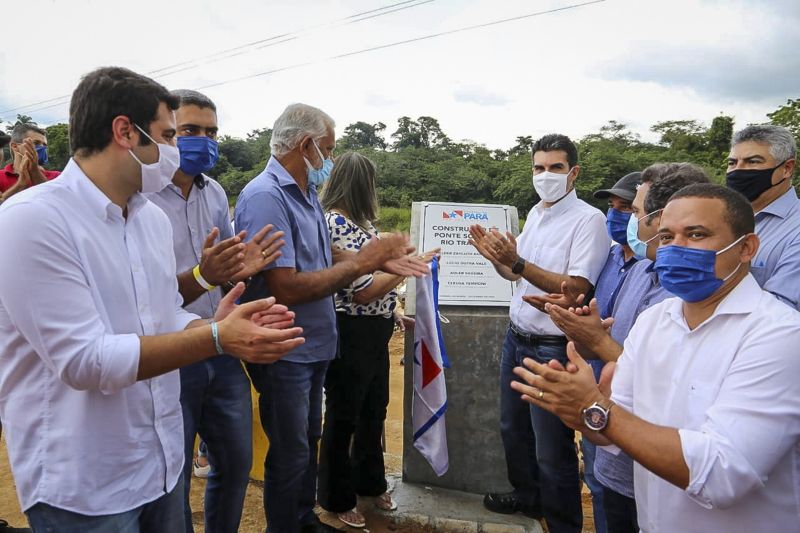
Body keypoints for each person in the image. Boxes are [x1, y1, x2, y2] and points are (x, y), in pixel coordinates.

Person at [0, 66, 304, 533]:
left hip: (157, 462)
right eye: (167, 135)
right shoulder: (33, 221)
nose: (174, 151)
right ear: (125, 132)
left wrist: (211, 324)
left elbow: (165, 317)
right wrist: (219, 338)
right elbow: (85, 361)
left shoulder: (148, 220)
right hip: (85, 483)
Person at [513, 183, 800, 532]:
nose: (676, 248)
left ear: (746, 248)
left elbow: (723, 474)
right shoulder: (656, 320)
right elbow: (613, 428)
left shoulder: (780, 335)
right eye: (666, 237)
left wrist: (596, 409)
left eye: (696, 234)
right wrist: (577, 408)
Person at [234, 103, 428, 533]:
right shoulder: (267, 197)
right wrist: (364, 265)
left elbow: (324, 254)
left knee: (306, 442)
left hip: (313, 345)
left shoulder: (303, 193)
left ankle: (303, 520)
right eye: (327, 149)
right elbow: (285, 285)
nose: (329, 160)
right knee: (290, 451)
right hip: (285, 349)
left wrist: (375, 262)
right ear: (306, 145)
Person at [540, 163, 709, 533]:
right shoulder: (638, 270)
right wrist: (586, 341)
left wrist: (598, 344)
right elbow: (614, 346)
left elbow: (673, 382)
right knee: (606, 503)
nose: (628, 219)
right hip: (613, 448)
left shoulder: (685, 294)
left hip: (655, 462)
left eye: (633, 210)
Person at [147, 89, 284, 533]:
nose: (202, 141)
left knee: (235, 460)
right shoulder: (142, 201)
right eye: (189, 131)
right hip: (173, 354)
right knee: (176, 473)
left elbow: (225, 273)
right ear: (166, 134)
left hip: (222, 351)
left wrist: (238, 271)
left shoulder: (215, 193)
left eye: (211, 132)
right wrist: (204, 274)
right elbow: (147, 300)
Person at [469, 134, 610, 532]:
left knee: (552, 447)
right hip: (518, 335)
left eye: (555, 168)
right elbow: (518, 275)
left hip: (552, 345)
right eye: (539, 168)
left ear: (574, 171)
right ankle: (529, 500)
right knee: (513, 429)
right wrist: (500, 260)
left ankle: (563, 523)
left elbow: (576, 287)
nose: (545, 176)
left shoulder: (589, 220)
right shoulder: (537, 214)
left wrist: (517, 262)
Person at [316, 152, 437, 529]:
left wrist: (395, 309)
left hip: (375, 329)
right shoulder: (336, 224)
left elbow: (377, 291)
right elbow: (360, 293)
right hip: (350, 331)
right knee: (344, 416)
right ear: (359, 185)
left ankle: (369, 483)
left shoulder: (363, 225)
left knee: (374, 410)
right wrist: (411, 267)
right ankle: (336, 497)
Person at [726, 124, 800, 309]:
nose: (738, 170)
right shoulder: (720, 219)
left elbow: (780, 309)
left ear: (787, 168)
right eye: (732, 163)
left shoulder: (796, 228)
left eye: (753, 162)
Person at [0, 123, 60, 202]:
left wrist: (34, 171)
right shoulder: (1, 176)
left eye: (44, 145)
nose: (42, 148)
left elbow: (56, 201)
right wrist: (20, 184)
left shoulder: (56, 177)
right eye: (35, 143)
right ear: (15, 146)